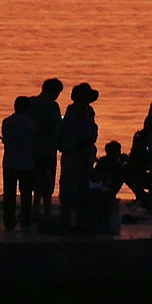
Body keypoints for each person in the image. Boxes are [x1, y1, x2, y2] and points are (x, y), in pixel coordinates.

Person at [59, 82, 100, 230]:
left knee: (75, 186)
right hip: (75, 155)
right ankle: (73, 220)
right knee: (74, 186)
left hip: (76, 154)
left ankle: (75, 220)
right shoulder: (80, 116)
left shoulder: (74, 115)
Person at [0, 95, 39, 229]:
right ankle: (25, 220)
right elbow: (34, 140)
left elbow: (6, 137)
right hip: (26, 162)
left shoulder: (6, 122)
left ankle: (9, 221)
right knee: (26, 194)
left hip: (10, 161)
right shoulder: (31, 123)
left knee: (9, 193)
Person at [29, 78, 64, 222]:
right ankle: (47, 210)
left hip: (33, 148)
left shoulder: (31, 102)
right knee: (48, 181)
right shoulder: (53, 106)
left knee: (35, 180)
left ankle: (35, 209)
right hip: (48, 149)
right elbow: (58, 127)